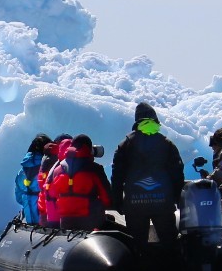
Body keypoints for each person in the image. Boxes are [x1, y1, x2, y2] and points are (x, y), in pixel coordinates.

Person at [110, 101, 184, 245]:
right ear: (154, 118)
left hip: (135, 204)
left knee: (137, 246)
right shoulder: (166, 143)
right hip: (163, 203)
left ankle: (140, 267)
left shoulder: (125, 144)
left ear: (137, 120)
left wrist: (118, 201)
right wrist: (178, 198)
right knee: (170, 244)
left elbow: (117, 177)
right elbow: (177, 174)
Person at [41, 135, 112, 228]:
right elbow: (107, 198)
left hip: (65, 221)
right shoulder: (95, 168)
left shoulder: (57, 170)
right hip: (90, 220)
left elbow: (52, 195)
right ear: (89, 149)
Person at [13, 133, 51, 223]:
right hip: (47, 219)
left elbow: (18, 197)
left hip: (30, 218)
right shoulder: (49, 168)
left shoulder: (22, 172)